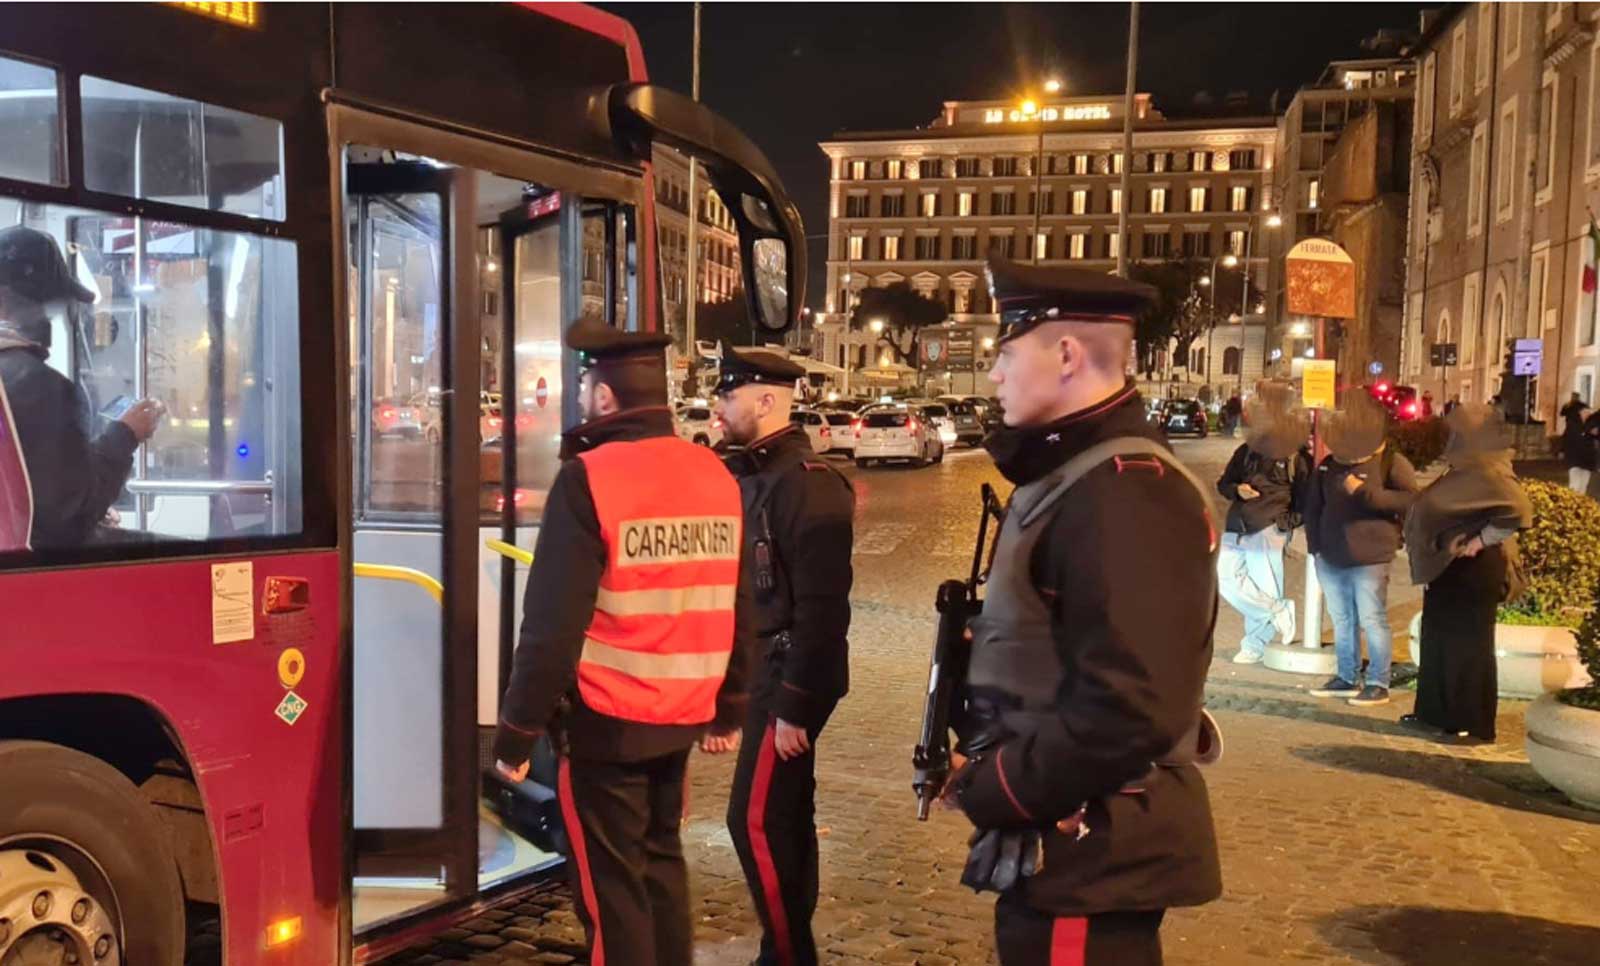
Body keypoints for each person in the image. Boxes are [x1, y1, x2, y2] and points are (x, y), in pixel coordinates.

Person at [946, 257, 1221, 966]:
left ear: (1065, 354)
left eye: (1005, 355)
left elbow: (1132, 707)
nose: (995, 376)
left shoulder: (1124, 490)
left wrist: (998, 787)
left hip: (1093, 853)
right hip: (1073, 846)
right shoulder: (1079, 474)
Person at [492, 318, 752, 966]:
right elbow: (741, 601)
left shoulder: (590, 479)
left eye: (584, 384)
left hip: (607, 723)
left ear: (604, 397)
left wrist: (516, 733)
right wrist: (731, 706)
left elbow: (551, 624)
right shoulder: (714, 474)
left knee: (612, 893)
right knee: (661, 864)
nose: (581, 397)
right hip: (682, 718)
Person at [714, 344, 854, 966]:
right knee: (785, 818)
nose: (718, 404)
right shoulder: (753, 475)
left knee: (756, 821)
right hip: (766, 673)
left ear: (767, 401)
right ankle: (788, 947)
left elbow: (824, 610)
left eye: (729, 393)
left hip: (788, 676)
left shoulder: (808, 485)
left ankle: (789, 954)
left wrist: (795, 703)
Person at [0, 225, 163, 549]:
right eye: (54, 304)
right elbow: (68, 520)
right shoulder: (42, 387)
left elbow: (30, 495)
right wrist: (126, 434)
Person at [1402, 404, 1532, 744]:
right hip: (1448, 567)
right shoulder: (1464, 467)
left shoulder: (1489, 470)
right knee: (1440, 639)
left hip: (1473, 570)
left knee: (1467, 646)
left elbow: (1516, 512)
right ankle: (1435, 714)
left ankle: (1469, 722)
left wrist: (1478, 541)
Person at [1303, 389, 1419, 706]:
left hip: (1371, 558)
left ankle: (1378, 681)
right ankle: (1346, 676)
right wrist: (1316, 549)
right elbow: (1313, 508)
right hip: (1331, 557)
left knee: (1372, 620)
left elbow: (1411, 501)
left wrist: (1366, 494)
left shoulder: (1391, 464)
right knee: (1342, 620)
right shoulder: (1330, 465)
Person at [1214, 382, 1311, 664]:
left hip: (1269, 524)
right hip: (1238, 524)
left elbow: (1306, 495)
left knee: (1265, 583)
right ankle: (1276, 610)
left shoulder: (1294, 455)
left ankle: (1255, 644)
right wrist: (1237, 490)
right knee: (1224, 576)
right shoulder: (1246, 451)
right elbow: (1224, 483)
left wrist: (1287, 522)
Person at [1561, 392, 1594, 494]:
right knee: (1575, 484)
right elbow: (1568, 439)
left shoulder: (1591, 425)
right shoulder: (1573, 425)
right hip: (1575, 458)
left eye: (1588, 412)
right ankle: (1572, 504)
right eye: (1585, 412)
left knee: (1583, 485)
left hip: (1587, 460)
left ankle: (1580, 505)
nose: (1587, 414)